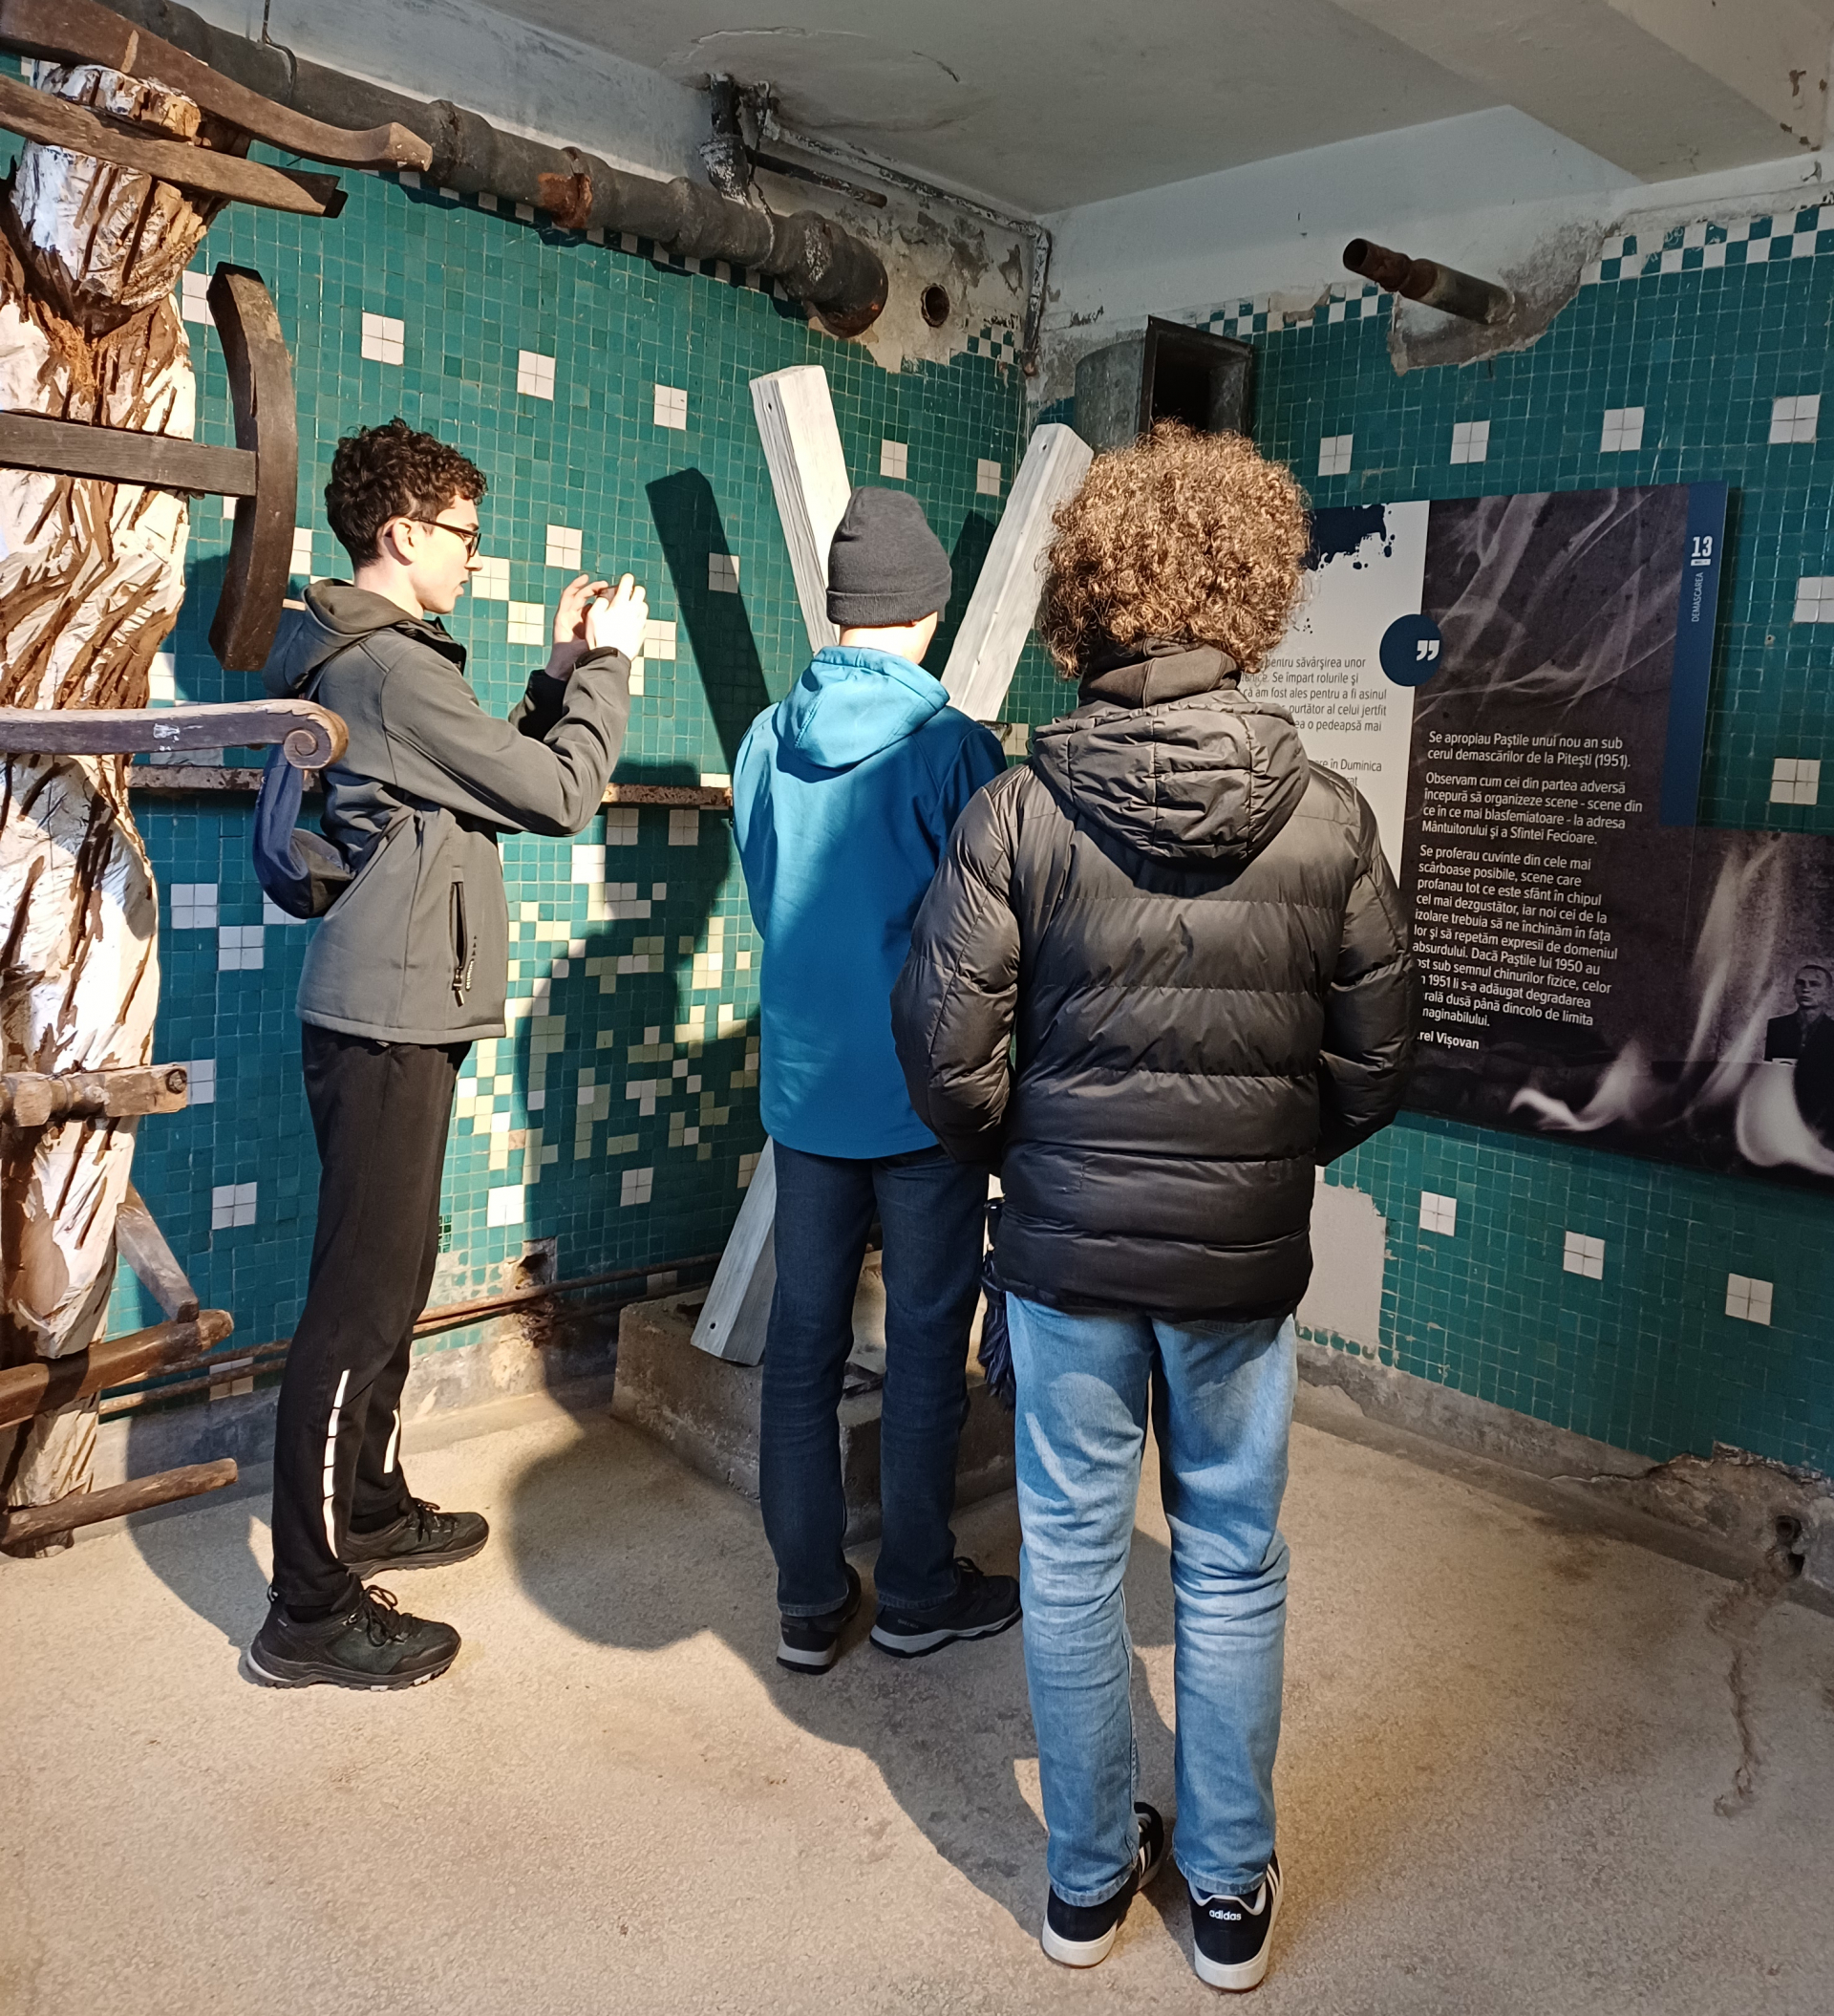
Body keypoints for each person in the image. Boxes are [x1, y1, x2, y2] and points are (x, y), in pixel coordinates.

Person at [892, 422, 1416, 1989]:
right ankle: (1232, 1895)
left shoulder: (1015, 812)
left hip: (1063, 1258)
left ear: (1090, 598)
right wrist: (1264, 1158)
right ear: (1249, 593)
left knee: (1066, 1557)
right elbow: (1378, 1064)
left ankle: (1082, 1888)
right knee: (1233, 1559)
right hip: (1238, 1266)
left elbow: (945, 1059)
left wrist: (1036, 1155)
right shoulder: (1329, 818)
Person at [244, 419, 647, 1691]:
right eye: (465, 535)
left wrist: (557, 672)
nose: (475, 556)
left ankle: (364, 1504)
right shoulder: (390, 666)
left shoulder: (381, 663)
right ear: (402, 531)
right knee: (358, 1301)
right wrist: (611, 670)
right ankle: (307, 1610)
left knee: (394, 1272)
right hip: (387, 1014)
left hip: (398, 1006)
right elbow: (559, 793)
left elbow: (480, 773)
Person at [732, 487, 1019, 1675]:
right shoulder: (953, 749)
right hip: (923, 1097)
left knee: (799, 1346)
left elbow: (771, 899)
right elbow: (994, 937)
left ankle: (807, 1603)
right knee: (925, 1344)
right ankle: (913, 1592)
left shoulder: (765, 738)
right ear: (928, 611)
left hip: (807, 1091)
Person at [1764, 961, 1834, 1140]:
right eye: (1800, 983)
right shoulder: (1777, 1027)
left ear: (1828, 991)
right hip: (1781, 1115)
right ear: (1794, 988)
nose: (1806, 989)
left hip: (1824, 1123)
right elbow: (1773, 1075)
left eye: (1814, 984)